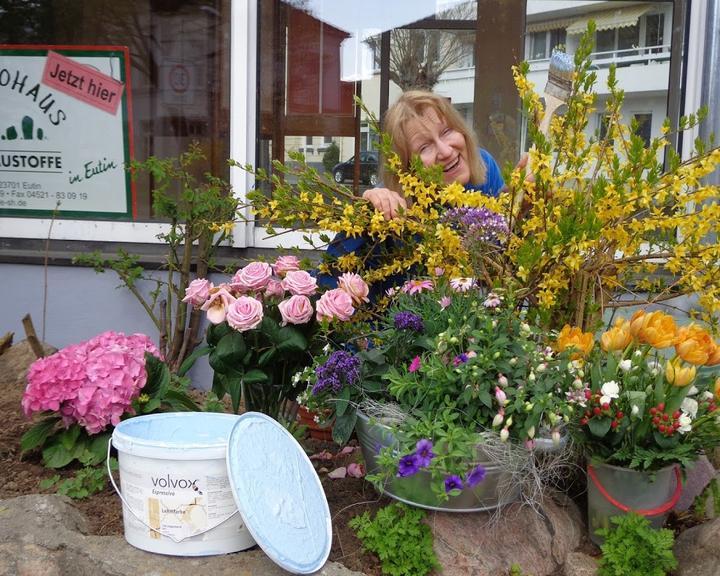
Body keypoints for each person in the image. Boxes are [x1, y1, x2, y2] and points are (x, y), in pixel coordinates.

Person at [321, 90, 513, 297]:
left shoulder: (483, 165)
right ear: (407, 169)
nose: (446, 151)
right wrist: (368, 206)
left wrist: (519, 199)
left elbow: (501, 247)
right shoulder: (394, 209)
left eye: (447, 131)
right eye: (424, 147)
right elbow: (329, 281)